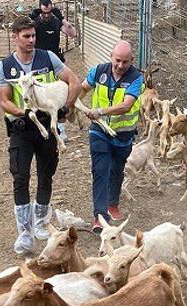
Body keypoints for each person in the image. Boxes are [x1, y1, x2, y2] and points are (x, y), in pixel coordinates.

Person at [0, 16, 80, 256]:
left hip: (47, 128)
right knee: (20, 177)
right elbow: (3, 100)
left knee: (46, 173)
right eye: (26, 36)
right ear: (15, 37)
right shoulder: (5, 66)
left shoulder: (48, 58)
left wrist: (67, 107)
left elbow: (73, 81)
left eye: (33, 36)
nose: (32, 40)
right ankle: (24, 231)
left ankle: (42, 222)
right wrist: (26, 112)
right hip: (22, 128)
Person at [82, 40, 144, 233]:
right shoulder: (98, 72)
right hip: (99, 130)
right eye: (117, 60)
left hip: (123, 135)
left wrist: (101, 111)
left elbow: (126, 105)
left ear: (131, 60)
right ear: (111, 56)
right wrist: (70, 105)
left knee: (117, 170)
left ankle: (113, 203)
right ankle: (100, 217)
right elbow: (82, 88)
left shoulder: (136, 78)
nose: (120, 65)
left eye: (125, 62)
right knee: (101, 169)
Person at [29, 0, 77, 140]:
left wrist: (63, 20)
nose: (46, 15)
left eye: (49, 12)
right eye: (44, 12)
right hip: (39, 64)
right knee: (40, 96)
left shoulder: (55, 22)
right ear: (39, 10)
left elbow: (72, 33)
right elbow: (25, 33)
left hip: (55, 63)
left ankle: (61, 129)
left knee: (61, 96)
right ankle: (41, 126)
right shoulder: (35, 24)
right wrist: (31, 19)